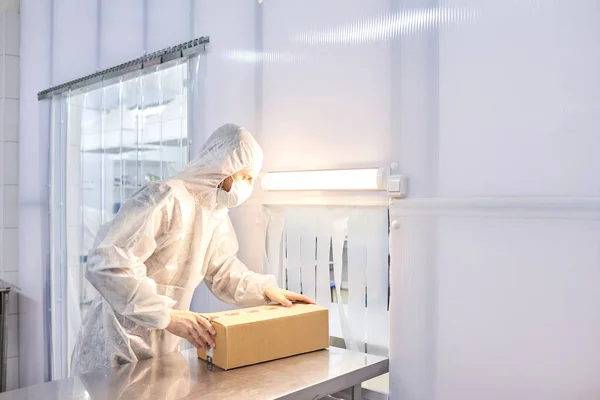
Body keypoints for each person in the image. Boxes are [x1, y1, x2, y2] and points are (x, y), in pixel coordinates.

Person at [70, 123, 313, 376]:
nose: (248, 187)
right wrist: (168, 315)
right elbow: (107, 264)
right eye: (246, 177)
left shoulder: (214, 213)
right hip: (114, 347)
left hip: (161, 348)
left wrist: (266, 289)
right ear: (225, 166)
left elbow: (222, 271)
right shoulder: (165, 196)